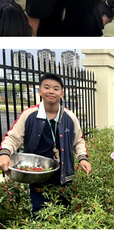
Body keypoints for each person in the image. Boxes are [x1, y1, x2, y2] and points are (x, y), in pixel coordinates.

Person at [0, 74, 91, 214]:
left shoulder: (70, 117)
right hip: (37, 175)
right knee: (40, 212)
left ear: (62, 93)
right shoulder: (29, 114)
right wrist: (5, 153)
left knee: (64, 212)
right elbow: (12, 138)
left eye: (56, 88)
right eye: (46, 87)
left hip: (64, 175)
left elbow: (78, 140)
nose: (51, 91)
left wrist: (82, 158)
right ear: (39, 91)